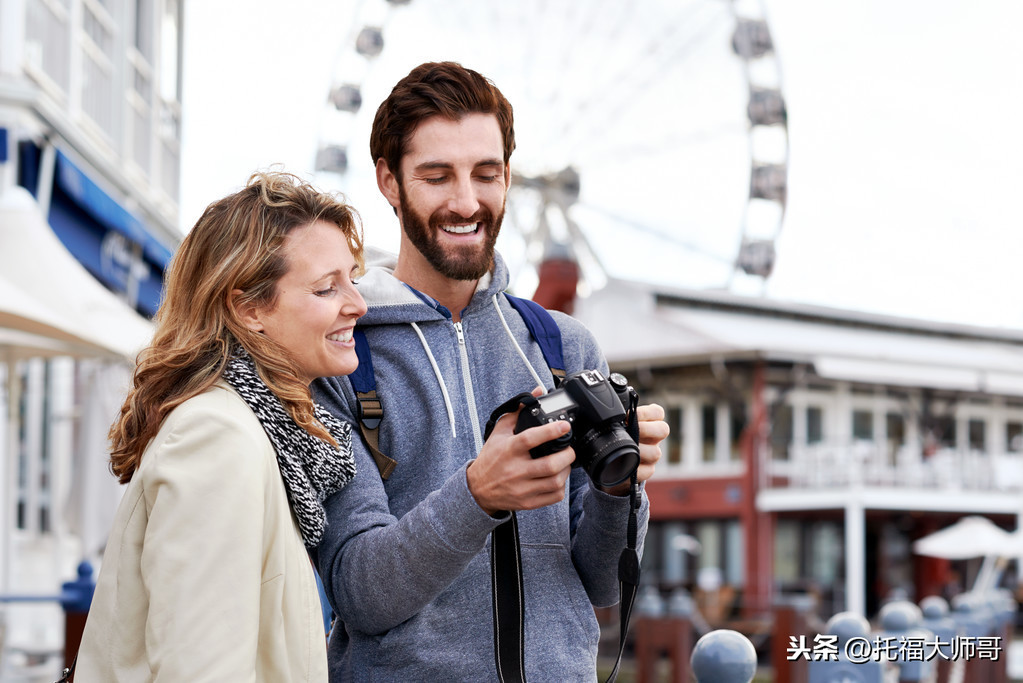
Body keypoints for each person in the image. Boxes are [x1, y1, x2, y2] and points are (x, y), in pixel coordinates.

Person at [312, 61, 669, 681]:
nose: (466, 201)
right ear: (389, 182)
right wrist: (477, 495)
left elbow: (605, 582)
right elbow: (361, 593)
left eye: (487, 174)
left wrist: (621, 486)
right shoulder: (342, 358)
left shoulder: (563, 345)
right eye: (436, 176)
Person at [75, 171, 367, 681]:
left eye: (352, 280)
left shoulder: (265, 433)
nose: (357, 305)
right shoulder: (220, 437)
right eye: (326, 288)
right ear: (248, 307)